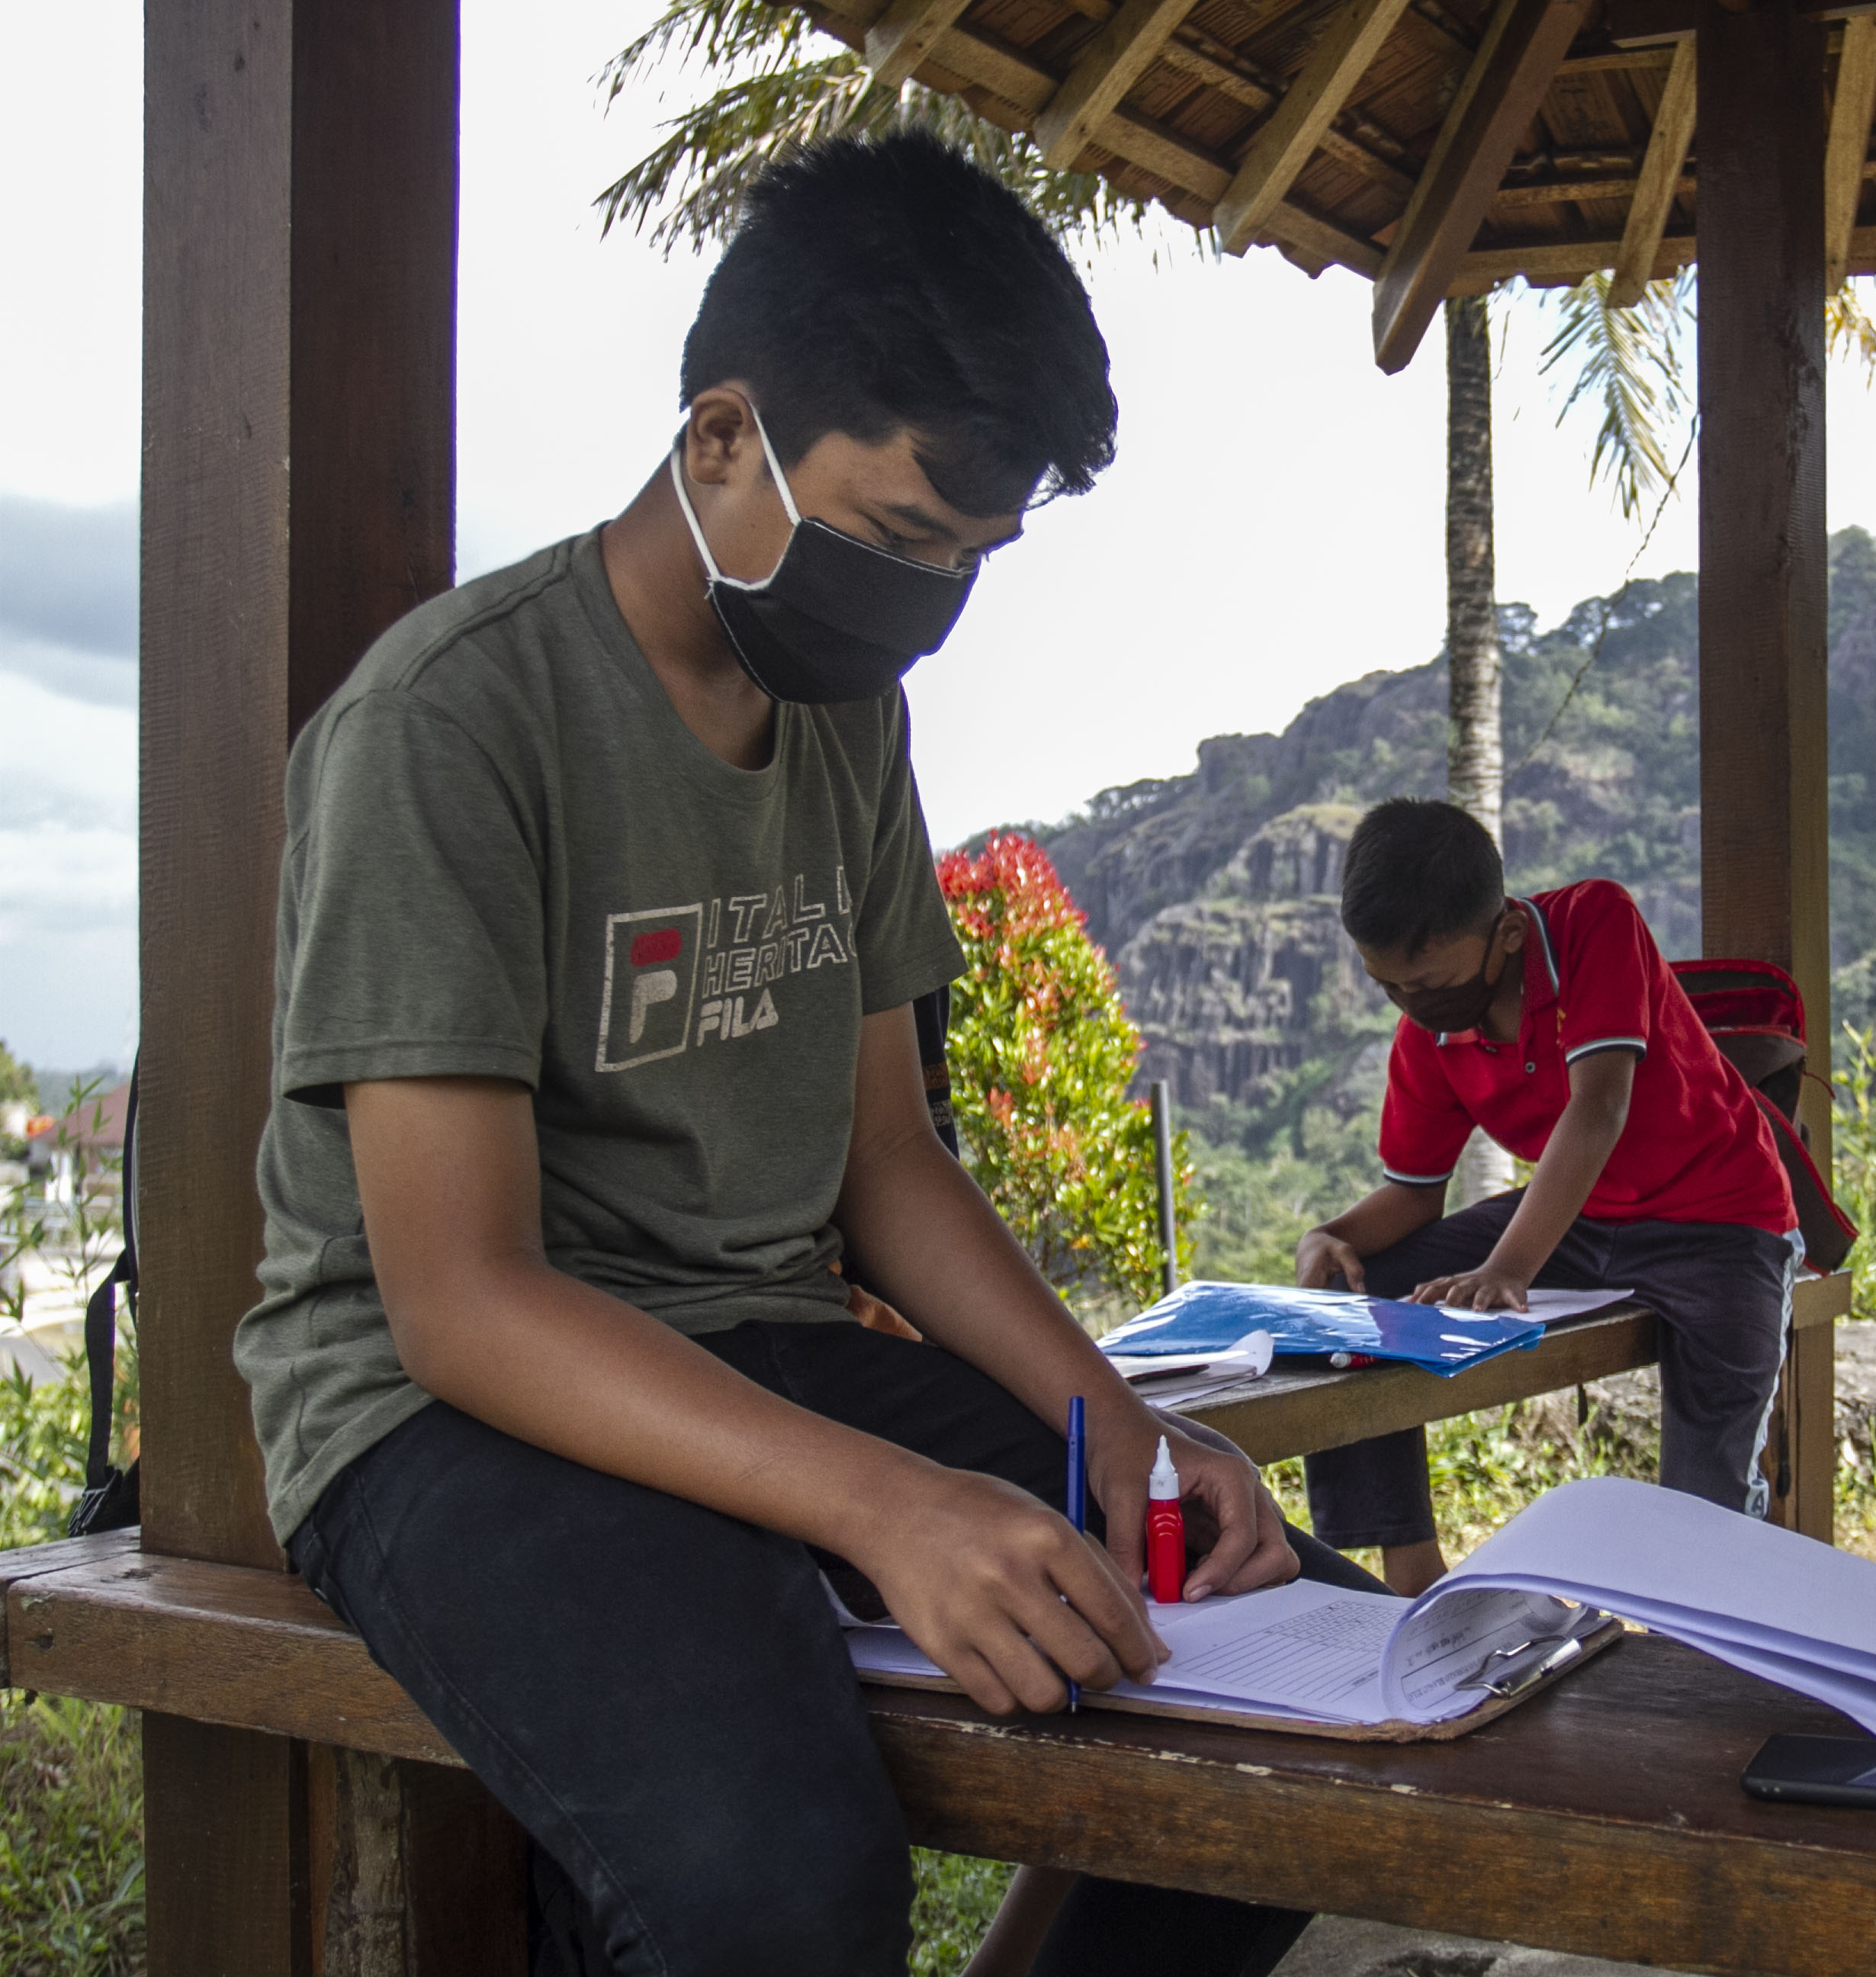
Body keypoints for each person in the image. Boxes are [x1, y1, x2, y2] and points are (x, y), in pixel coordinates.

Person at [236, 133, 1362, 1977]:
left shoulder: (844, 716)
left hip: (762, 1337)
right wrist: (891, 1505)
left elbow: (888, 1164)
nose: (929, 602)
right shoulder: (451, 722)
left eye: (974, 561)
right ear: (721, 441)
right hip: (445, 1407)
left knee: (1289, 1684)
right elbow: (458, 1301)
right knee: (769, 1885)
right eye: (901, 539)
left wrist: (1122, 1429)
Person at [1295, 799, 1805, 1596]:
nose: (1410, 1005)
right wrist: (1331, 1236)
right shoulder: (1428, 1032)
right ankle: (1412, 1579)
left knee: (1706, 1497)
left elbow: (1598, 1109)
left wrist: (1507, 1268)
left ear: (1505, 934)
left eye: (1427, 983)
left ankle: (1710, 1623)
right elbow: (1413, 1195)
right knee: (1359, 1294)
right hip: (1580, 1218)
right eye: (1386, 985)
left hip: (1720, 1220)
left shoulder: (1595, 923)